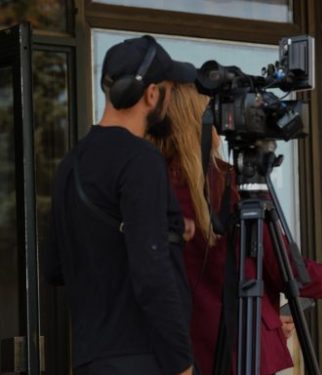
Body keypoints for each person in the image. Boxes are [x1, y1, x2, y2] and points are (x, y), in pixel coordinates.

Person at [149, 83, 322, 375]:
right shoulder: (229, 183)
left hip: (178, 353)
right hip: (239, 351)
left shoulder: (147, 187)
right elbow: (284, 268)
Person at [43, 35, 196, 375]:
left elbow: (55, 267)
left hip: (91, 359)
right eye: (168, 91)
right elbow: (152, 274)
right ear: (152, 94)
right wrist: (183, 364)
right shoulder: (140, 160)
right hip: (143, 358)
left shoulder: (71, 163)